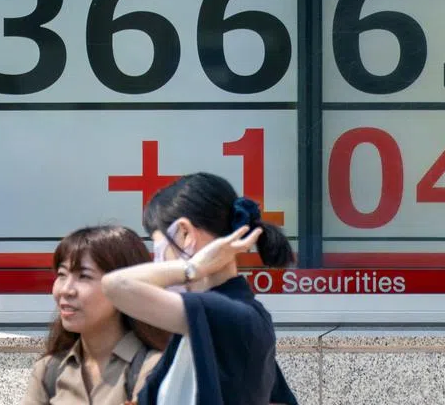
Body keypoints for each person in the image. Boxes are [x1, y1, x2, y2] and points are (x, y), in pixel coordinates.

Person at [101, 172, 298, 405]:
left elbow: (115, 285)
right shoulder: (226, 312)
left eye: (159, 247)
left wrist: (191, 267)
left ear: (185, 233)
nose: (158, 261)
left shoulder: (229, 312)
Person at [21, 225, 172, 405]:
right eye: (62, 275)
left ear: (123, 287)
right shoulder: (49, 371)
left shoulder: (154, 369)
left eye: (84, 276)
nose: (66, 290)